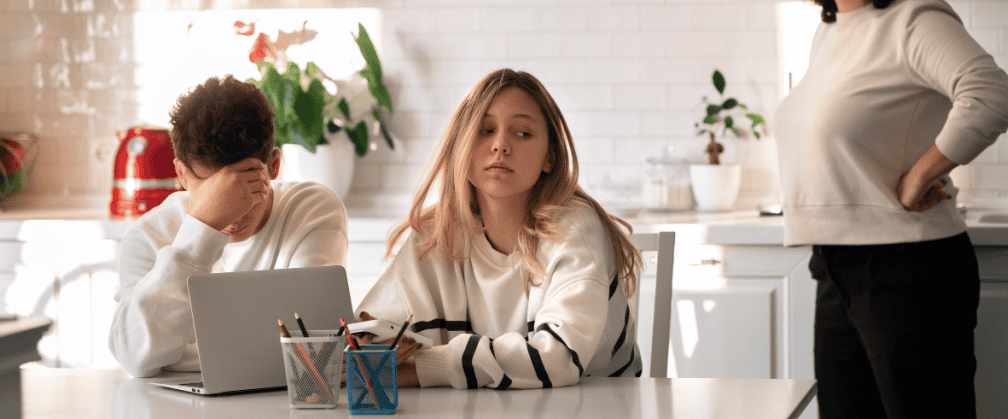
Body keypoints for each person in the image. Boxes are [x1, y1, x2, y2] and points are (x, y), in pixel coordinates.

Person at [777, 0, 1008, 418]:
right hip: (835, 264)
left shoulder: (914, 20)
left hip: (907, 268)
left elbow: (990, 95)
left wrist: (921, 174)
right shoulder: (830, 32)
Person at [355, 68, 643, 389]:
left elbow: (558, 359)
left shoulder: (574, 227)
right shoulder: (435, 234)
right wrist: (373, 349)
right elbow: (371, 338)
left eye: (522, 133)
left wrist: (427, 367)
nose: (500, 145)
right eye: (485, 130)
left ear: (549, 157)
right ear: (460, 146)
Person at [108, 75, 348, 378]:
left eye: (245, 187)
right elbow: (134, 356)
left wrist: (171, 358)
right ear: (181, 174)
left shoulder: (311, 210)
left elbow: (313, 352)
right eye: (214, 192)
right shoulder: (146, 237)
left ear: (274, 166)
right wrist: (205, 226)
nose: (232, 212)